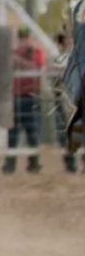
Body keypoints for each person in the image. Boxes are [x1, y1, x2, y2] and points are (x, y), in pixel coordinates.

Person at [3, 26, 45, 175]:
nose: (23, 41)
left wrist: (18, 61)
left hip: (31, 97)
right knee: (12, 134)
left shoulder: (36, 52)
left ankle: (34, 163)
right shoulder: (14, 53)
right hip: (16, 97)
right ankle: (10, 165)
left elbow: (36, 68)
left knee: (32, 133)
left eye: (26, 38)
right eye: (21, 38)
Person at [52, 31, 77, 173]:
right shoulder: (57, 57)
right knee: (64, 134)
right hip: (62, 98)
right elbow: (53, 71)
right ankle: (70, 165)